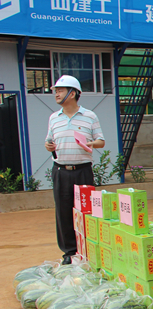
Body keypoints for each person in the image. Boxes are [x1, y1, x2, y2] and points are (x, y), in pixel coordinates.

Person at [45, 75, 105, 265]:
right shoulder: (54, 118)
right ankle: (69, 253)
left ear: (73, 93)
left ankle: (88, 249)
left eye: (60, 90)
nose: (56, 94)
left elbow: (101, 141)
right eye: (56, 91)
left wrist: (91, 143)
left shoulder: (89, 116)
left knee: (87, 211)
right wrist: (48, 146)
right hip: (61, 171)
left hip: (83, 171)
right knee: (63, 212)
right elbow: (48, 141)